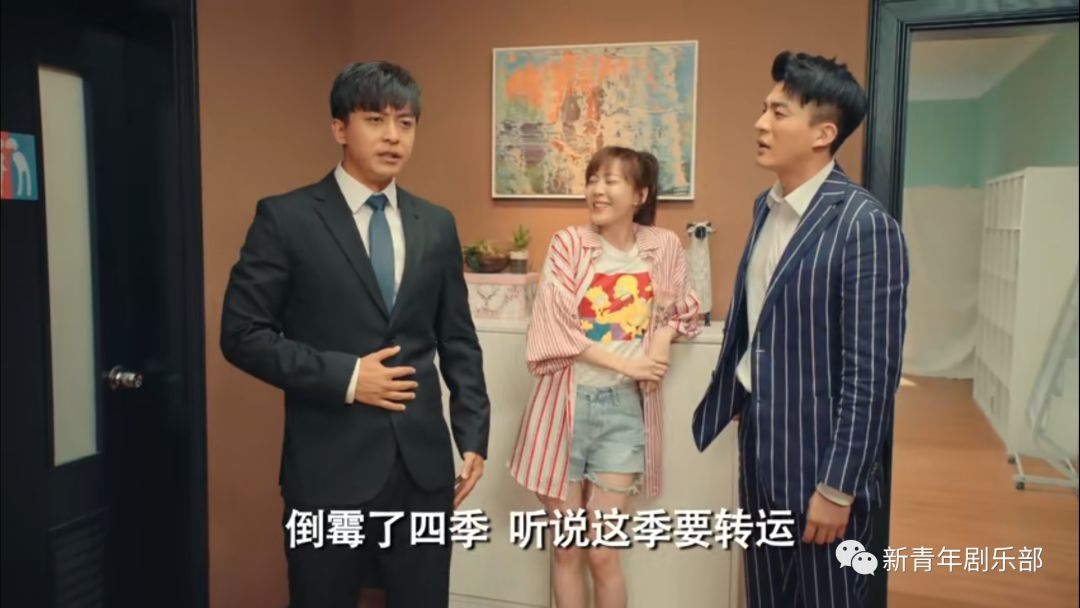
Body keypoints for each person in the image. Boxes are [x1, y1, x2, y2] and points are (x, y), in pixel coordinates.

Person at [220, 61, 491, 608]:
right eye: (375, 120)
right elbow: (242, 333)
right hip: (327, 468)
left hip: (422, 470)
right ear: (340, 128)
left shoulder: (436, 223)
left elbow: (458, 339)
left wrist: (472, 436)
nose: (393, 136)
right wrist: (347, 377)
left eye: (405, 123)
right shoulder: (286, 218)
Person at [692, 50, 909, 607]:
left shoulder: (864, 225)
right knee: (765, 597)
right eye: (764, 109)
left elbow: (872, 375)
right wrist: (742, 393)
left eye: (778, 112)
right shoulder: (766, 209)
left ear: (823, 133)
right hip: (762, 452)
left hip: (822, 467)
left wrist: (838, 487)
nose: (760, 123)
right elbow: (764, 322)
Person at [509, 146, 700, 608]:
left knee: (603, 553)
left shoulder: (662, 247)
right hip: (562, 410)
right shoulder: (568, 244)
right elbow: (554, 327)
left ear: (640, 195)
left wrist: (660, 342)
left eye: (611, 181)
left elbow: (686, 309)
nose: (597, 189)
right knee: (567, 549)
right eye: (593, 179)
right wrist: (631, 365)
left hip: (622, 413)